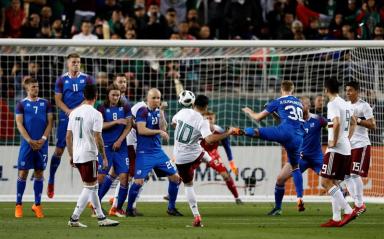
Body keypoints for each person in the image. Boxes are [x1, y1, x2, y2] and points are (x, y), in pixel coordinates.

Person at [172, 92, 237, 227]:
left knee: (188, 185)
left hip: (180, 157)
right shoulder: (203, 121)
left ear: (194, 103)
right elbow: (210, 139)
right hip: (194, 154)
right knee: (202, 151)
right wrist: (228, 133)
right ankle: (211, 161)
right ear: (206, 107)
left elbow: (173, 123)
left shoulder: (182, 112)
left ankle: (197, 216)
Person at [241, 80, 304, 216]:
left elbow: (258, 118)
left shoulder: (277, 101)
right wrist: (275, 114)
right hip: (298, 138)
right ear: (292, 89)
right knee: (295, 167)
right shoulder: (299, 103)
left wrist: (250, 112)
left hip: (284, 132)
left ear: (281, 89)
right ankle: (299, 198)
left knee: (257, 132)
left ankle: (236, 131)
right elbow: (288, 120)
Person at [66, 84, 119, 228]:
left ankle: (101, 218)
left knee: (94, 186)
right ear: (96, 97)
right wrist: (105, 156)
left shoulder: (73, 113)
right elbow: (98, 137)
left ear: (84, 96)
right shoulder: (96, 114)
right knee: (89, 187)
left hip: (77, 154)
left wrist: (71, 155)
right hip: (89, 154)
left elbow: (68, 137)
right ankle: (74, 218)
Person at [125, 88, 181, 217]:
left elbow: (164, 128)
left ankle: (171, 208)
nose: (157, 100)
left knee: (175, 178)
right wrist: (159, 132)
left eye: (159, 98)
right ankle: (129, 209)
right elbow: (141, 130)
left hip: (158, 152)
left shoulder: (158, 111)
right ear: (148, 99)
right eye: (154, 98)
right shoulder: (143, 111)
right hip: (144, 153)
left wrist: (161, 112)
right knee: (138, 182)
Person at [267, 96, 326, 215]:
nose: (300, 107)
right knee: (280, 179)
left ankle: (344, 203)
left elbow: (333, 124)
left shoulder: (318, 119)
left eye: (303, 105)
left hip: (316, 157)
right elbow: (282, 123)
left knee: (330, 181)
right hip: (300, 157)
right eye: (299, 105)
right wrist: (273, 113)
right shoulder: (294, 120)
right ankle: (278, 208)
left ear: (308, 106)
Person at [47, 53, 95, 198]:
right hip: (66, 117)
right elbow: (57, 99)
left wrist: (77, 110)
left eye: (78, 62)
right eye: (73, 62)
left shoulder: (87, 78)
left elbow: (91, 97)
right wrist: (68, 111)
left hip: (83, 116)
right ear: (68, 64)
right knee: (59, 150)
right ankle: (51, 179)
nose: (76, 64)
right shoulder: (61, 80)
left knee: (86, 151)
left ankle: (89, 190)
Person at [319, 78, 357, 227]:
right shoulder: (345, 104)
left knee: (325, 182)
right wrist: (346, 138)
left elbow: (336, 123)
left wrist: (334, 141)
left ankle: (348, 211)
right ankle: (336, 218)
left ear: (326, 89)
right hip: (345, 148)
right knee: (334, 182)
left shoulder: (333, 103)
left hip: (336, 149)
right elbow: (353, 122)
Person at [14, 77, 53, 218]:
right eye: (33, 87)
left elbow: (50, 122)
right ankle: (18, 205)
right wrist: (29, 140)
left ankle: (37, 205)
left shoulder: (46, 103)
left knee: (39, 173)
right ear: (27, 89)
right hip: (27, 144)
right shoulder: (21, 104)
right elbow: (19, 124)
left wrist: (43, 139)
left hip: (42, 144)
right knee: (23, 172)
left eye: (37, 86)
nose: (36, 89)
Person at [96, 84, 132, 217]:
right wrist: (115, 122)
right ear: (108, 95)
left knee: (124, 177)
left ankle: (118, 208)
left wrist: (120, 140)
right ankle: (96, 206)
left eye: (118, 95)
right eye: (113, 95)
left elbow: (128, 126)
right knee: (100, 176)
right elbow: (99, 126)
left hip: (121, 147)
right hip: (105, 147)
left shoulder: (125, 106)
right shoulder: (101, 107)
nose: (116, 97)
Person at [345, 81, 376, 216]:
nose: (348, 93)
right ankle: (358, 204)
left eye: (350, 90)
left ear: (357, 91)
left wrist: (356, 120)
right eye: (347, 90)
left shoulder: (364, 106)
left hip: (361, 144)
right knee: (345, 175)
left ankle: (359, 204)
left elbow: (372, 125)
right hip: (347, 144)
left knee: (354, 174)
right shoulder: (345, 105)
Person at [200, 111, 242, 204]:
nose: (209, 120)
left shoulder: (220, 130)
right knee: (185, 172)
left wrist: (232, 164)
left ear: (214, 119)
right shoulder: (198, 129)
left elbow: (227, 148)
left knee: (226, 176)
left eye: (211, 118)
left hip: (212, 155)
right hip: (198, 153)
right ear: (203, 119)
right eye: (207, 118)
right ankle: (171, 195)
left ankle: (237, 198)